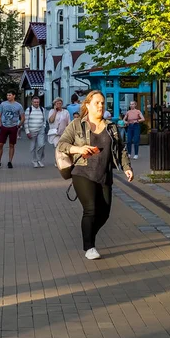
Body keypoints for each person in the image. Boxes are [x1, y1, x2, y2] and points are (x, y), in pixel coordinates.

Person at [57, 90, 133, 260]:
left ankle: (89, 233)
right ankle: (89, 247)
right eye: (97, 103)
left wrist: (127, 167)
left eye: (102, 103)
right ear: (88, 105)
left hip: (104, 174)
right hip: (82, 172)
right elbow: (61, 144)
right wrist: (78, 149)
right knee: (90, 209)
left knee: (104, 213)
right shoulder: (77, 124)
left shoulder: (111, 127)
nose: (100, 106)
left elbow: (121, 148)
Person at [0, 90, 25, 169]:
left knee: (11, 145)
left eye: (10, 95)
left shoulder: (19, 106)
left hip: (13, 127)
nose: (8, 97)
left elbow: (23, 117)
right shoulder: (3, 104)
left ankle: (10, 161)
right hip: (4, 126)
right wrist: (0, 123)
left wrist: (18, 125)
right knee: (0, 144)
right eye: (7, 95)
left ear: (14, 96)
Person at [24, 96, 47, 168]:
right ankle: (34, 161)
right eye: (35, 102)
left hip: (40, 130)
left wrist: (44, 126)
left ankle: (39, 159)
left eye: (37, 102)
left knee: (41, 145)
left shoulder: (42, 109)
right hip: (32, 130)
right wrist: (27, 132)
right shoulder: (29, 110)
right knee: (32, 147)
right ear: (32, 102)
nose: (36, 103)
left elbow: (44, 119)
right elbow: (26, 121)